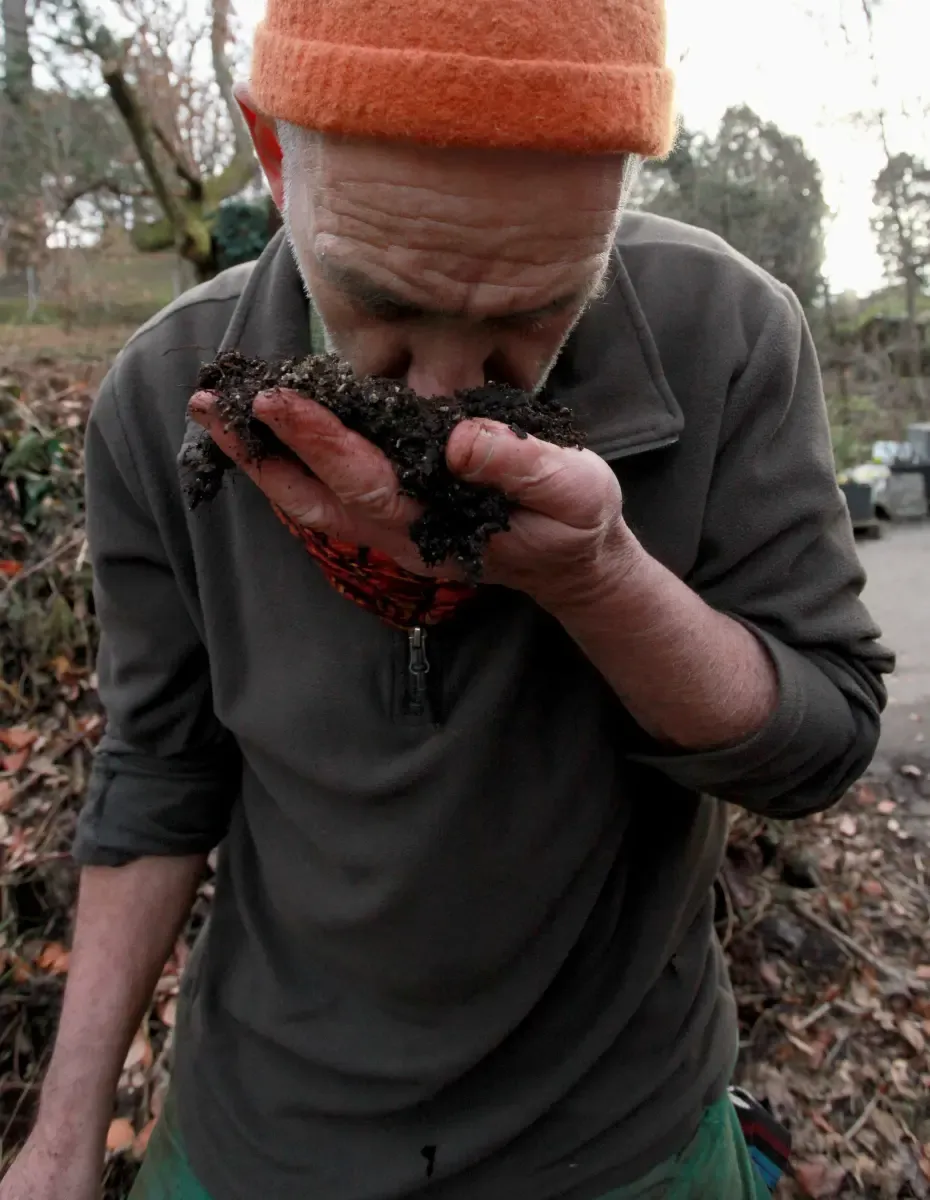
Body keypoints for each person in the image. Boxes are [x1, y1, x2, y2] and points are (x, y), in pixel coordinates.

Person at [0, 0, 893, 1197]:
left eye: (532, 315)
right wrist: (60, 1144)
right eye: (387, 304)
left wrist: (597, 578)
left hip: (624, 1145)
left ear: (618, 186)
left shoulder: (726, 337)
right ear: (273, 153)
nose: (449, 392)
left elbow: (820, 746)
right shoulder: (165, 395)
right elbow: (160, 776)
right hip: (258, 1142)